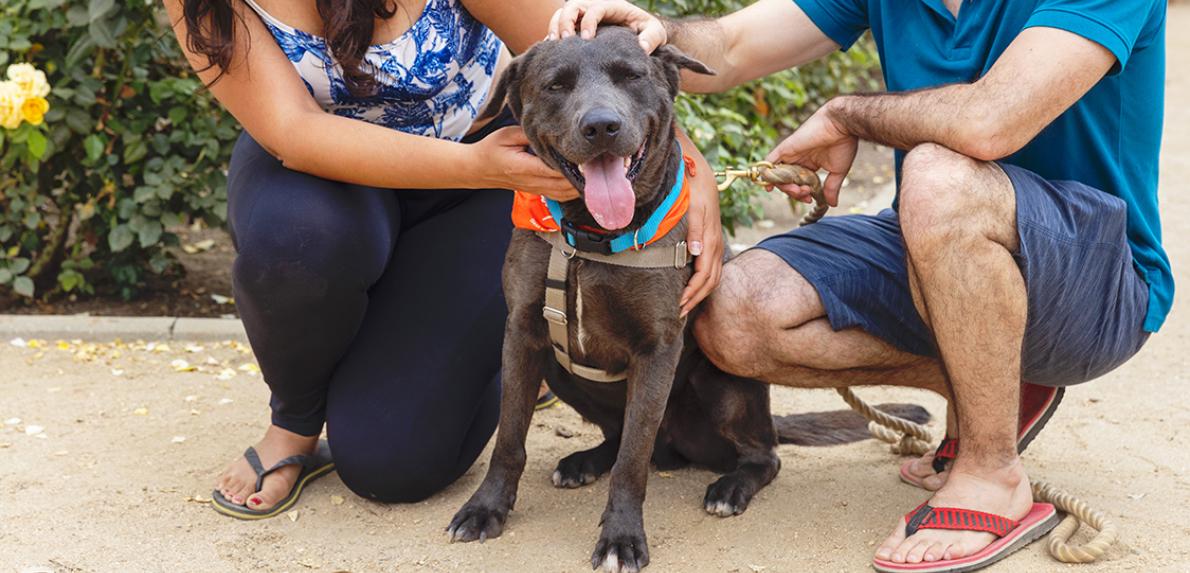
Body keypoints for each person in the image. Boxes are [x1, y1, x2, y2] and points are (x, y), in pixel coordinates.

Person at [552, 0, 1169, 570]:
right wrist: (652, 32)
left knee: (938, 173)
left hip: (1099, 283)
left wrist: (847, 113)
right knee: (734, 312)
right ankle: (996, 385)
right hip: (938, 251)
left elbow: (989, 124)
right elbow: (733, 45)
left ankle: (991, 472)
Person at [162, 0, 724, 518]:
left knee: (393, 464)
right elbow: (293, 130)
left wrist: (686, 170)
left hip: (486, 163)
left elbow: (599, 56)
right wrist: (477, 168)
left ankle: (492, 361)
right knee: (297, 243)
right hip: (326, 172)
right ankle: (294, 422)